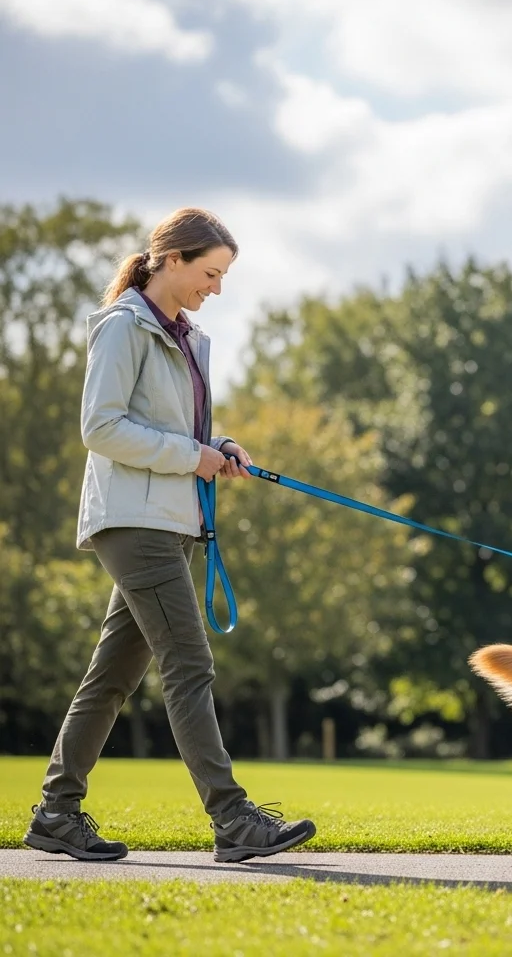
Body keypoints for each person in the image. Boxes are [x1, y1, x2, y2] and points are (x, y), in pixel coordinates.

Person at [23, 207, 316, 863]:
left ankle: (55, 812)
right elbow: (100, 428)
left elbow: (166, 429)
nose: (216, 288)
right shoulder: (125, 328)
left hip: (168, 519)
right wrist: (192, 455)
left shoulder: (184, 336)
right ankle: (233, 818)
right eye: (210, 273)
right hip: (134, 520)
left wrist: (217, 446)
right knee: (190, 663)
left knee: (112, 677)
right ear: (173, 258)